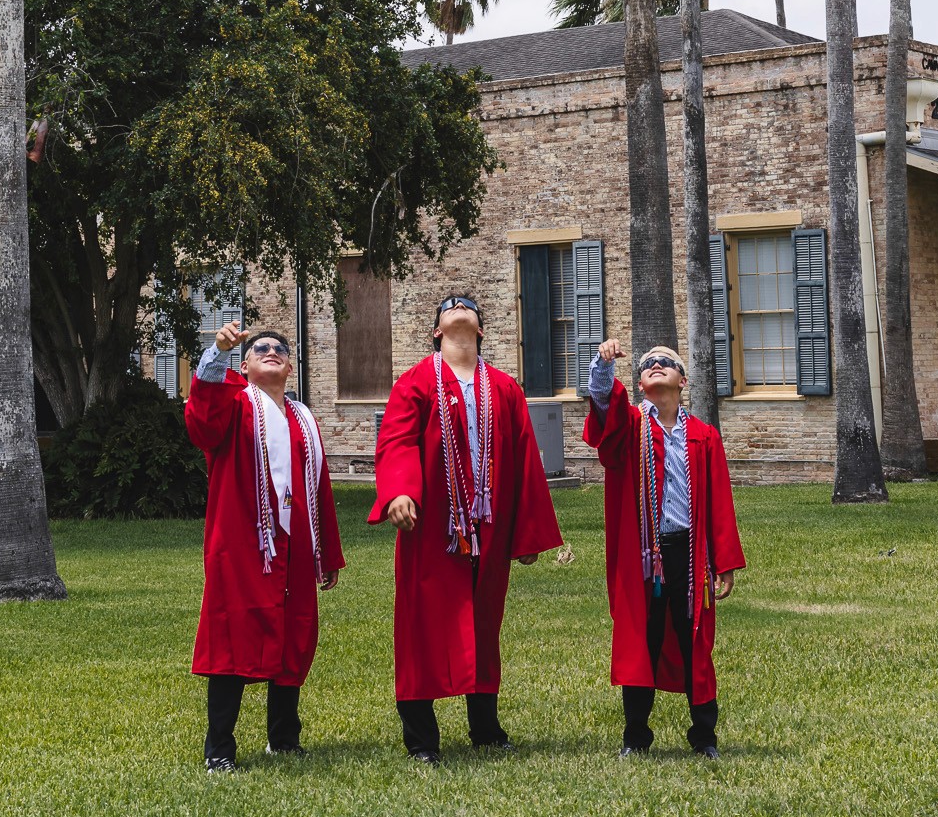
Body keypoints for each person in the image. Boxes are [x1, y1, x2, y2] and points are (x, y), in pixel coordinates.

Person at [370, 293, 562, 761]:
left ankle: (485, 727)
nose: (458, 306)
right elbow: (397, 440)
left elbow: (525, 460)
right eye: (449, 306)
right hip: (432, 524)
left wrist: (528, 534)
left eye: (467, 305)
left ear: (480, 327)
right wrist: (399, 492)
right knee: (421, 624)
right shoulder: (416, 382)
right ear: (437, 330)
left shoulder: (504, 387)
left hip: (489, 525)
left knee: (484, 623)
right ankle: (421, 738)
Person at [186, 321, 344, 771]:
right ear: (245, 366)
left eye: (280, 348)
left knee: (293, 637)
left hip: (294, 548)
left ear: (291, 366)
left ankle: (284, 738)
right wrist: (217, 353)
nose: (271, 351)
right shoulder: (234, 405)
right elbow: (201, 423)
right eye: (260, 349)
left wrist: (326, 553)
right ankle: (220, 749)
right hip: (243, 545)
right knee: (232, 640)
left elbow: (319, 490)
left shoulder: (304, 420)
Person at [583, 338, 744, 759]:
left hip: (689, 555)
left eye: (666, 361)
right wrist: (603, 366)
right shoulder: (631, 427)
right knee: (642, 641)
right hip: (642, 556)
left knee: (695, 644)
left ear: (682, 381)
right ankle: (636, 737)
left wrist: (724, 561)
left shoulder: (704, 436)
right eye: (647, 363)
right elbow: (603, 408)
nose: (656, 364)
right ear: (639, 383)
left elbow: (719, 502)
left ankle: (704, 737)